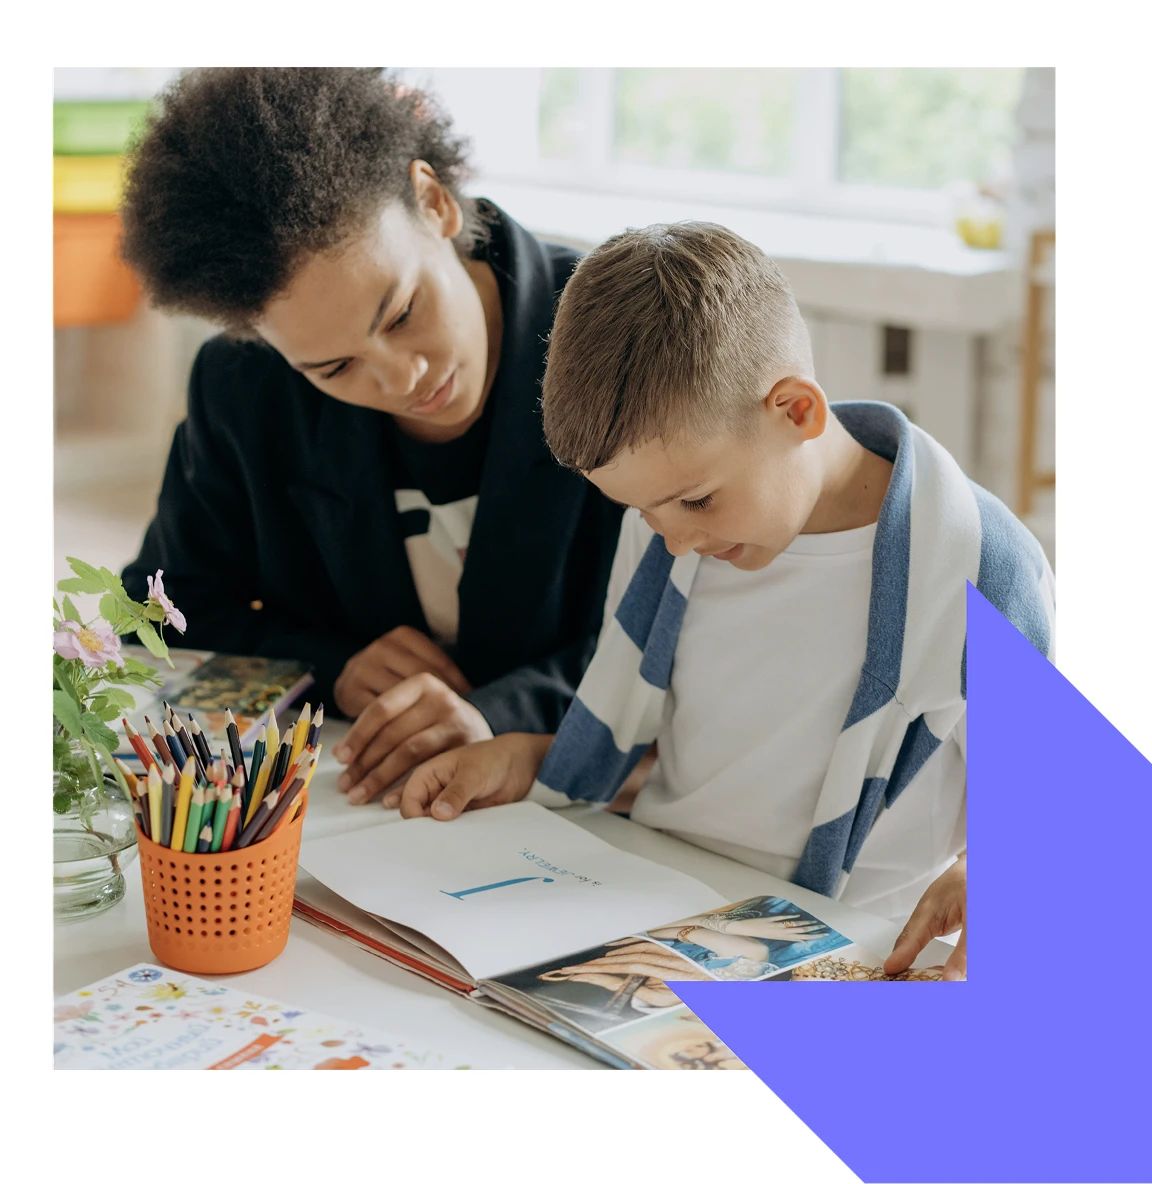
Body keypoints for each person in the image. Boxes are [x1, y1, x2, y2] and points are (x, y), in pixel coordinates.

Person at [385, 222, 1057, 982]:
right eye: (645, 514)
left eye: (696, 501)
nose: (672, 543)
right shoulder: (681, 535)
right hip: (659, 907)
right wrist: (530, 756)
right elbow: (706, 766)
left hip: (850, 951)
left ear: (796, 411)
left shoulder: (980, 566)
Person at [118, 68, 623, 800]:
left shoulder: (621, 341)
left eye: (402, 312)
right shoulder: (246, 385)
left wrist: (501, 712)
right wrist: (331, 663)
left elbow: (699, 624)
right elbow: (158, 611)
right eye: (333, 366)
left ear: (435, 201)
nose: (400, 378)